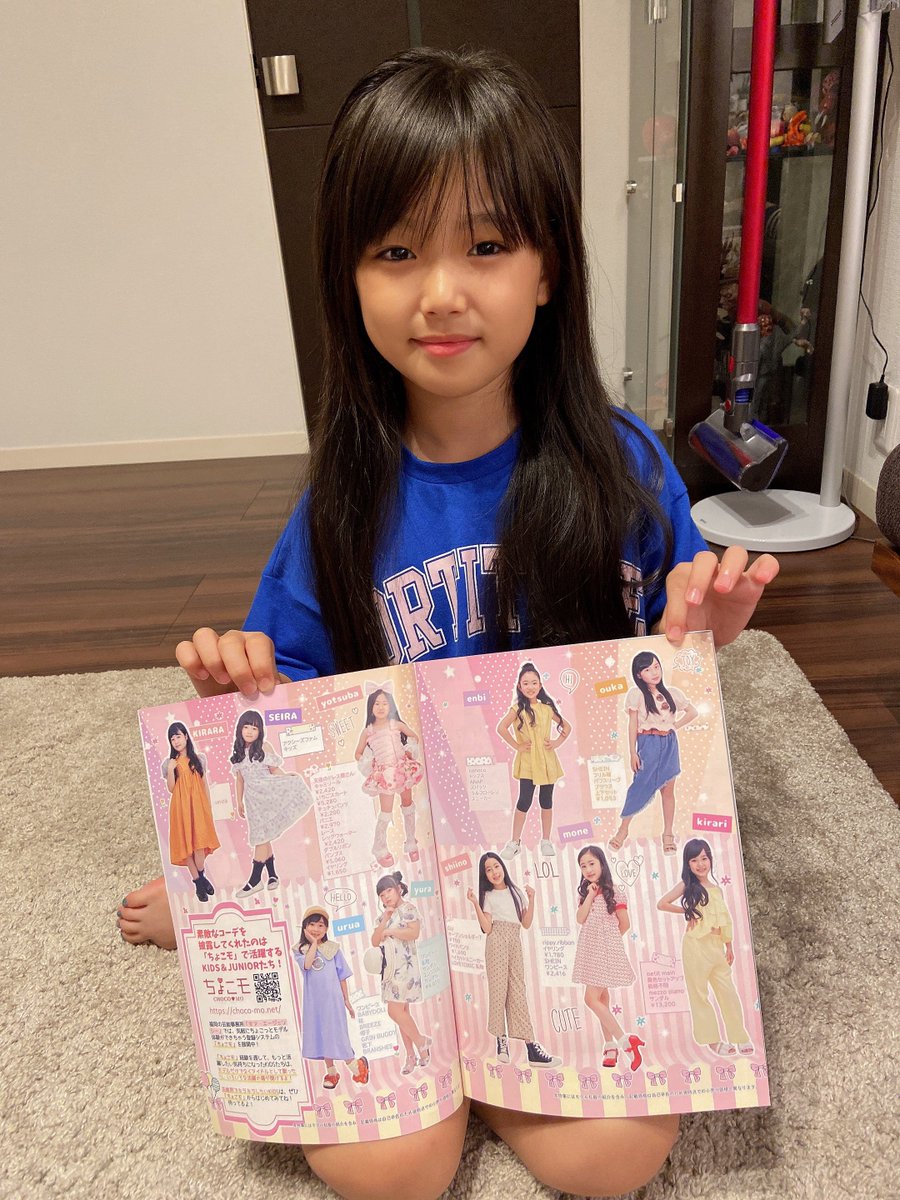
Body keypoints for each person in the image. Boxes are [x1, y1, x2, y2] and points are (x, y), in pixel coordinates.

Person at [118, 46, 780, 1199]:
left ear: (547, 269)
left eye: (484, 246)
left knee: (611, 1158)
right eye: (395, 251)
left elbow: (661, 675)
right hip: (403, 878)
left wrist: (698, 632)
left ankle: (491, 1046)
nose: (440, 292)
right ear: (347, 279)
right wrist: (246, 690)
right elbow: (296, 708)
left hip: (551, 868)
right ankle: (279, 938)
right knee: (391, 1172)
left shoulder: (623, 468)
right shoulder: (341, 505)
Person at [657, 838, 754, 1058]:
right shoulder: (688, 885)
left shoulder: (717, 889)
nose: (700, 864)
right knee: (699, 994)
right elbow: (662, 903)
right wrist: (688, 912)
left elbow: (725, 919)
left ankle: (739, 1036)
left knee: (728, 993)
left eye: (704, 858)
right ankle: (712, 1040)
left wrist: (729, 946)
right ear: (687, 864)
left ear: (710, 859)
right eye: (694, 860)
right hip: (695, 946)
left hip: (716, 947)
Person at [467, 852, 560, 1069]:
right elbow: (487, 928)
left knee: (518, 990)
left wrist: (532, 899)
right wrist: (475, 904)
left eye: (496, 866)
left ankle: (531, 1047)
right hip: (496, 940)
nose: (494, 872)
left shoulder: (516, 892)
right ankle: (501, 1039)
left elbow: (525, 923)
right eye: (488, 870)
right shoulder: (488, 896)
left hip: (514, 940)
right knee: (499, 990)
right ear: (484, 875)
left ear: (503, 867)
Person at [610, 651, 698, 855]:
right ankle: (623, 830)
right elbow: (632, 725)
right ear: (639, 675)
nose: (654, 672)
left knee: (668, 790)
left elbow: (693, 712)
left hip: (669, 744)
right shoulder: (637, 695)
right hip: (647, 743)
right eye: (648, 669)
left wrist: (674, 726)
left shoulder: (673, 693)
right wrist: (632, 752)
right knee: (639, 786)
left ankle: (668, 834)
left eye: (656, 666)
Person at [572, 845, 644, 1071]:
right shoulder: (585, 893)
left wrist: (609, 943)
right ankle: (610, 1046)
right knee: (601, 998)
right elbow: (580, 918)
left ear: (602, 863)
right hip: (590, 950)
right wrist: (590, 895)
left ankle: (626, 1042)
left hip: (604, 950)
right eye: (583, 866)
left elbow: (625, 923)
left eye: (591, 863)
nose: (588, 869)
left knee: (590, 999)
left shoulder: (615, 891)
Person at [230, 709, 314, 894]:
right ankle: (273, 875)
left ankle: (255, 881)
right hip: (253, 800)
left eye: (254, 728)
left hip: (269, 793)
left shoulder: (264, 747)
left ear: (260, 731)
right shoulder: (238, 754)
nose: (250, 731)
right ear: (240, 729)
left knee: (261, 837)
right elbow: (240, 780)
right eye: (246, 727)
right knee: (263, 835)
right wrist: (239, 802)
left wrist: (287, 778)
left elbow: (274, 770)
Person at [496, 661, 571, 859]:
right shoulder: (517, 709)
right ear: (519, 686)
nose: (530, 687)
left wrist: (556, 743)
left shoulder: (546, 708)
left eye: (534, 683)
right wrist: (517, 745)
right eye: (526, 683)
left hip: (547, 761)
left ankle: (546, 840)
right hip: (528, 761)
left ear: (540, 685)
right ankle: (514, 842)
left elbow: (567, 727)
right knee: (524, 800)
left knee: (546, 800)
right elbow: (501, 728)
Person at [293, 906, 370, 1091]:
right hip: (313, 1002)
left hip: (333, 1001)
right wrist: (313, 943)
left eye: (321, 925)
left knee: (336, 1034)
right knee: (322, 1035)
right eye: (312, 924)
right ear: (305, 927)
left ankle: (357, 1067)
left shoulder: (333, 949)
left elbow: (342, 976)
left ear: (326, 928)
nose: (316, 929)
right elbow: (307, 965)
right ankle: (332, 1072)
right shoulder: (300, 949)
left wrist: (346, 1000)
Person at [355, 686, 424, 866]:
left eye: (385, 703)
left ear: (391, 706)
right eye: (377, 703)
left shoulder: (396, 724)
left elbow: (414, 737)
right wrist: (369, 762)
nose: (381, 707)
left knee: (407, 805)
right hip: (384, 775)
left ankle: (411, 842)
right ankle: (379, 847)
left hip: (402, 769)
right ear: (371, 707)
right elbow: (358, 753)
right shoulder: (368, 731)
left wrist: (409, 750)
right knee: (385, 812)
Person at [371, 872, 431, 1075]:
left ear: (398, 889)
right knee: (402, 1014)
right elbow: (375, 941)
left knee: (394, 1012)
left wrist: (390, 931)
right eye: (382, 895)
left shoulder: (409, 909)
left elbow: (414, 933)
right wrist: (385, 920)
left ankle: (421, 1042)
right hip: (390, 970)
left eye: (388, 891)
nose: (386, 896)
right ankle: (413, 1055)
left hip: (405, 969)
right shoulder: (384, 916)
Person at [162, 722, 220, 902]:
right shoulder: (170, 763)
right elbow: (171, 789)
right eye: (172, 739)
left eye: (178, 736)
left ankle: (200, 880)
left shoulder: (199, 759)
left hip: (198, 807)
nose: (176, 741)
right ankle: (200, 884)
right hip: (180, 808)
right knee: (186, 848)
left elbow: (204, 784)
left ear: (186, 736)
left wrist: (208, 807)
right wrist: (171, 769)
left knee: (199, 846)